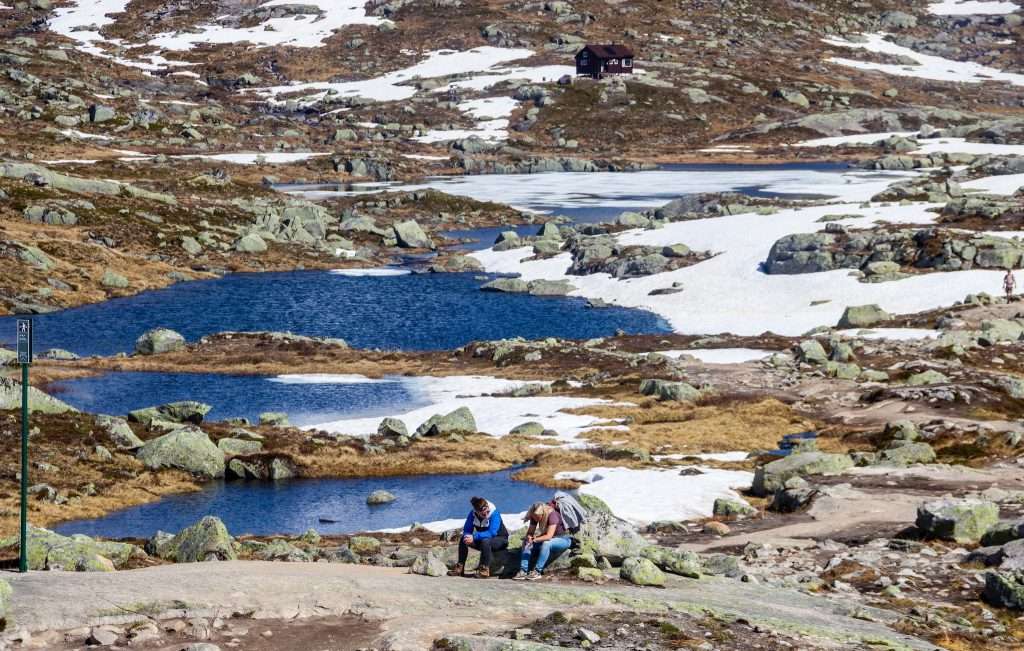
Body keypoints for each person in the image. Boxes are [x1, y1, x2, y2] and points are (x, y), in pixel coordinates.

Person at [449, 496, 508, 578]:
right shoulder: (472, 514)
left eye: (487, 511)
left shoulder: (495, 513)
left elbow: (492, 533)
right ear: (477, 512)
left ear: (488, 507)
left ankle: (484, 570)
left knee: (485, 541)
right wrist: (467, 536)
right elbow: (467, 529)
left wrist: (474, 536)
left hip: (501, 540)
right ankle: (460, 568)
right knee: (463, 539)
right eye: (484, 514)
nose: (487, 514)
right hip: (484, 542)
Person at [513, 501, 572, 580]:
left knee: (546, 543)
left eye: (538, 517)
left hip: (563, 539)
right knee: (526, 542)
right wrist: (529, 538)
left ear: (543, 513)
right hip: (547, 538)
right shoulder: (534, 515)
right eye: (534, 517)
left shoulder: (552, 515)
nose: (536, 519)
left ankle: (537, 572)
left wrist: (535, 540)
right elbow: (530, 533)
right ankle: (523, 571)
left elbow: (549, 536)